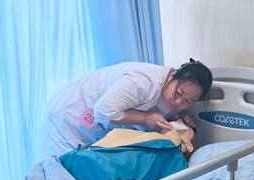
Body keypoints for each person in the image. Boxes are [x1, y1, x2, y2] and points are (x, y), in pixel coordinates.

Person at [44, 59, 212, 157]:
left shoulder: (174, 96)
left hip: (98, 130)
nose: (178, 102)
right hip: (69, 115)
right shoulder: (144, 81)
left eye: (188, 101)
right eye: (178, 93)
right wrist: (146, 118)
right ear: (172, 75)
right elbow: (102, 112)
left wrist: (177, 121)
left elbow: (155, 116)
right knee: (67, 179)